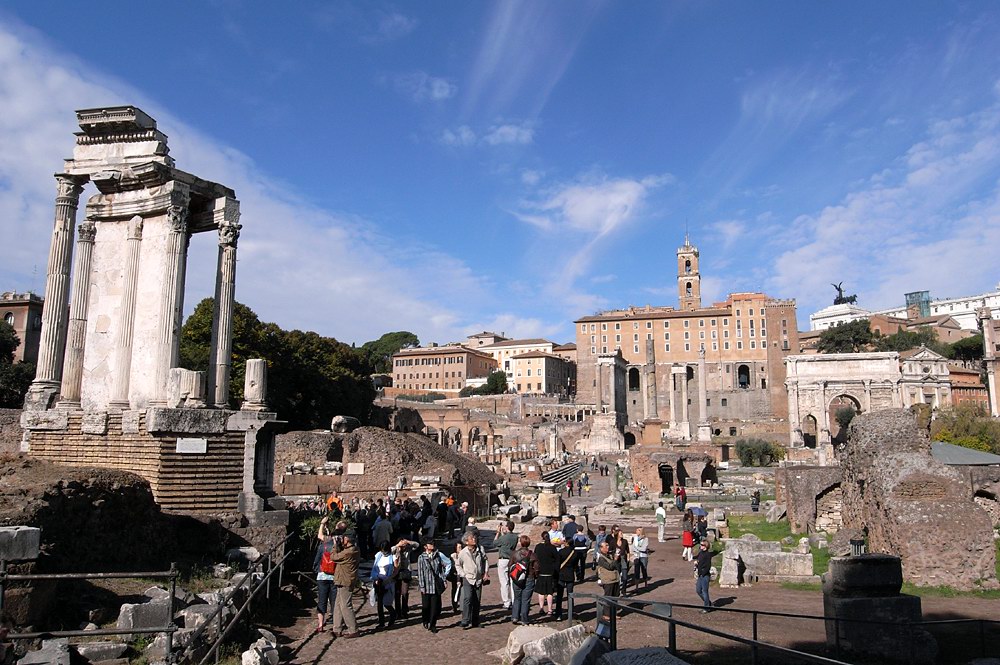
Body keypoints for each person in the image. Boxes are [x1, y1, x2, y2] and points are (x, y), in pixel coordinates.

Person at [329, 532, 361, 638]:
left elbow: (334, 557)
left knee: (345, 605)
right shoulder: (354, 549)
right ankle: (337, 628)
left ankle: (353, 629)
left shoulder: (349, 552)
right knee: (338, 604)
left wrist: (335, 545)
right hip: (342, 579)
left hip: (345, 580)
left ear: (347, 539)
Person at [416, 537, 451, 633]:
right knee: (426, 606)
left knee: (434, 606)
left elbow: (440, 570)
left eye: (433, 543)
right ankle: (425, 620)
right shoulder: (421, 558)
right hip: (426, 585)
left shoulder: (437, 556)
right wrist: (422, 586)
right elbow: (420, 573)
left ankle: (433, 624)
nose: (432, 545)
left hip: (435, 585)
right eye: (430, 544)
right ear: (425, 546)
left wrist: (444, 580)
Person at [455, 532, 489, 628]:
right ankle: (465, 620)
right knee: (467, 598)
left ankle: (475, 620)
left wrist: (486, 572)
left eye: (474, 538)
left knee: (477, 600)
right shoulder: (463, 553)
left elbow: (485, 560)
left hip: (478, 578)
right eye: (471, 538)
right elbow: (458, 565)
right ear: (466, 542)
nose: (474, 540)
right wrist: (463, 574)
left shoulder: (480, 549)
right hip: (468, 578)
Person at [314, 516, 337, 633]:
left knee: (321, 600)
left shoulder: (322, 546)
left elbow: (319, 536)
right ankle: (335, 624)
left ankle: (320, 624)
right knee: (334, 600)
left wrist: (322, 524)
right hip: (334, 576)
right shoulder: (337, 547)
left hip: (322, 575)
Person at [510, 535, 537, 625]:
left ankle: (515, 616)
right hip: (529, 578)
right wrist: (535, 576)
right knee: (526, 599)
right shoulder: (532, 555)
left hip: (517, 578)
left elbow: (510, 566)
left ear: (520, 543)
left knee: (517, 598)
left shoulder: (514, 554)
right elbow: (537, 568)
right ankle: (524, 619)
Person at [392, 537, 420, 620]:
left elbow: (417, 545)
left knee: (404, 592)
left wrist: (408, 541)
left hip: (406, 571)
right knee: (397, 593)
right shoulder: (395, 549)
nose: (403, 546)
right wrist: (398, 545)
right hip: (396, 572)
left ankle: (404, 610)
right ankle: (398, 611)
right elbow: (389, 550)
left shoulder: (408, 549)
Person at [370, 541, 396, 630]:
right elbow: (375, 567)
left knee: (387, 603)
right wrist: (376, 578)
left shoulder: (392, 557)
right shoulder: (378, 555)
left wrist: (388, 578)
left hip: (387, 581)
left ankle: (393, 615)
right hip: (378, 580)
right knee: (379, 603)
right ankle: (381, 622)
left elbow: (395, 568)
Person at [533, 531, 559, 618]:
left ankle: (541, 608)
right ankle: (550, 609)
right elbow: (557, 559)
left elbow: (535, 558)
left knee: (541, 591)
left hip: (541, 572)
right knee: (549, 592)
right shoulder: (552, 547)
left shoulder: (538, 547)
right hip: (550, 572)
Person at [494, 521, 519, 611]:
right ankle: (513, 600)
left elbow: (495, 543)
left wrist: (498, 532)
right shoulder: (515, 537)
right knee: (512, 581)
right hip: (512, 559)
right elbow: (506, 542)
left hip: (503, 559)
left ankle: (506, 602)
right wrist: (503, 533)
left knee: (504, 582)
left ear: (507, 527)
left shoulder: (504, 538)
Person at [553, 536, 578, 621]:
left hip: (561, 574)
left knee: (559, 596)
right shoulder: (575, 553)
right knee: (570, 595)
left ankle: (558, 614)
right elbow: (575, 566)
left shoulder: (561, 552)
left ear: (566, 542)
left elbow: (557, 564)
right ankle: (570, 613)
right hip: (570, 575)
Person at [693, 540, 713, 612]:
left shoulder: (707, 554)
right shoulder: (701, 553)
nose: (700, 546)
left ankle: (707, 607)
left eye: (702, 545)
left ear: (705, 546)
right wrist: (696, 563)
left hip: (705, 575)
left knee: (705, 591)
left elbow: (708, 566)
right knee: (698, 590)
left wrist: (703, 573)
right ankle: (708, 603)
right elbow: (698, 559)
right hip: (700, 575)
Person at [610, 526, 630, 596]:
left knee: (625, 577)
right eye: (621, 533)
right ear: (617, 534)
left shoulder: (625, 541)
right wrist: (614, 556)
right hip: (616, 560)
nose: (622, 534)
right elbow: (610, 551)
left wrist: (628, 558)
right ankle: (617, 590)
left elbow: (627, 551)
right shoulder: (613, 542)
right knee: (617, 576)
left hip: (623, 559)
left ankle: (624, 591)